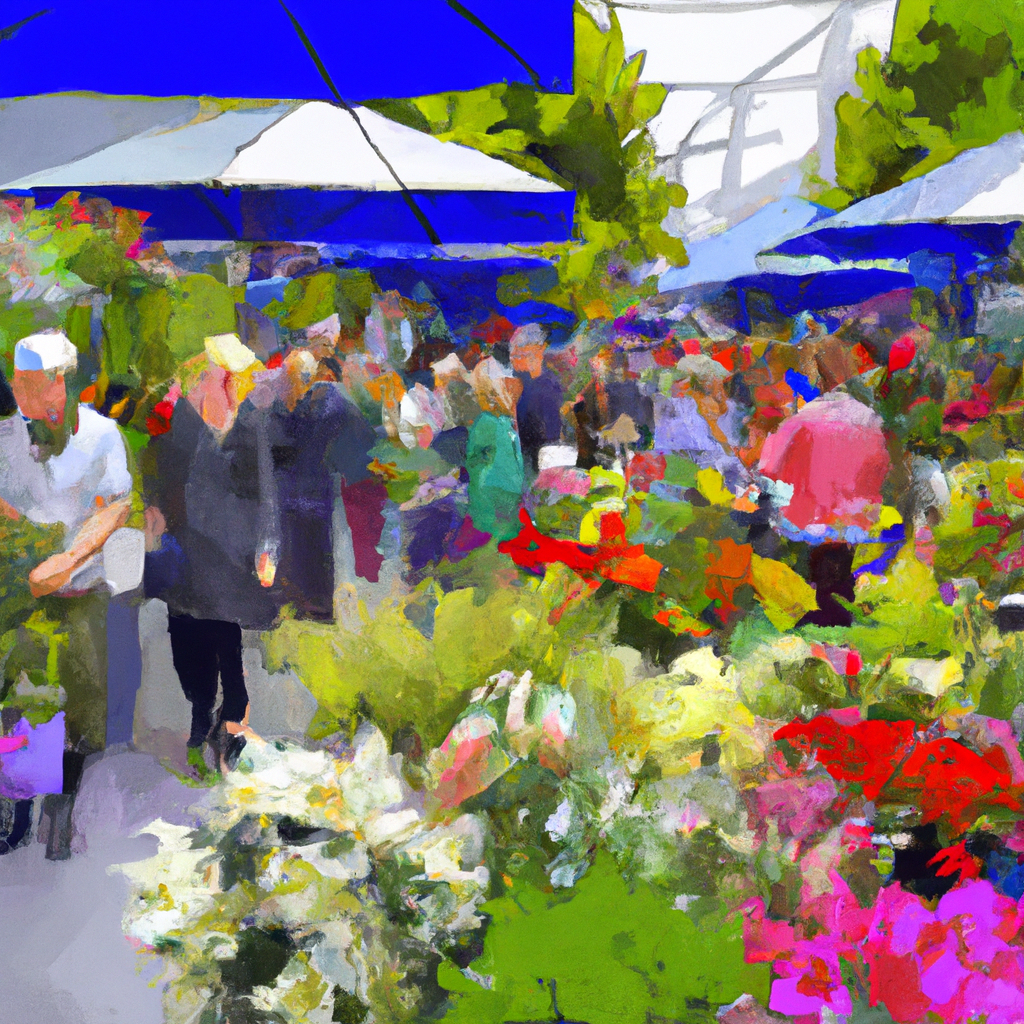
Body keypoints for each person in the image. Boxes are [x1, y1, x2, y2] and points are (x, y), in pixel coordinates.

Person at [0, 331, 137, 859]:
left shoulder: (102, 436)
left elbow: (114, 508)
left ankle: (60, 805)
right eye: (17, 382)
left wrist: (68, 560)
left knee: (80, 706)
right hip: (24, 589)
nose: (20, 392)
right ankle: (17, 806)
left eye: (30, 383)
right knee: (23, 695)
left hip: (81, 589)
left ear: (59, 382)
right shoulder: (7, 436)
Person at [144, 334, 275, 779]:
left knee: (227, 641)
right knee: (188, 646)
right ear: (203, 381)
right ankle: (201, 711)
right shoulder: (176, 426)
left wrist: (266, 547)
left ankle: (227, 723)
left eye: (237, 381)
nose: (233, 390)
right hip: (185, 556)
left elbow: (266, 495)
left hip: (230, 554)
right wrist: (153, 518)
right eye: (225, 380)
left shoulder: (250, 429)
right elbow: (155, 476)